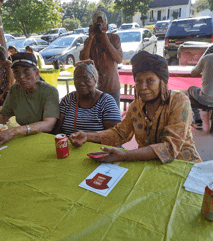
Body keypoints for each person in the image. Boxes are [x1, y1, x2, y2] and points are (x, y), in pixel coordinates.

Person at [69, 51, 202, 164]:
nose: (142, 87)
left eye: (150, 80)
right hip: (147, 164)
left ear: (163, 81)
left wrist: (125, 155)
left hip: (183, 164)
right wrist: (87, 136)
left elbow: (169, 148)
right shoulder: (136, 107)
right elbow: (120, 133)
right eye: (138, 81)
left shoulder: (179, 101)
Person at [0, 52, 59, 149]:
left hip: (46, 141)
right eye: (16, 72)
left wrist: (16, 130)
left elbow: (49, 124)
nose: (21, 77)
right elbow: (3, 116)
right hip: (24, 139)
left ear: (36, 73)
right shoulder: (15, 90)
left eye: (26, 72)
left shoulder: (49, 91)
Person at [56, 60, 122, 137]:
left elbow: (115, 134)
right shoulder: (68, 100)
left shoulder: (106, 101)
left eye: (86, 78)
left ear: (95, 80)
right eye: (77, 78)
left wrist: (88, 137)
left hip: (99, 148)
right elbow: (58, 130)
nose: (81, 83)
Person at [80, 11, 123, 108]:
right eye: (97, 25)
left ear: (106, 26)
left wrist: (105, 39)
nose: (99, 28)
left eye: (102, 24)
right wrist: (90, 38)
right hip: (95, 89)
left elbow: (119, 59)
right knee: (96, 118)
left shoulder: (114, 38)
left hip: (112, 86)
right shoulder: (89, 41)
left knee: (114, 119)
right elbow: (84, 60)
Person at [188, 53, 213, 129]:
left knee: (191, 90)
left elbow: (193, 73)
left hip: (205, 98)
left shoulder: (207, 58)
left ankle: (197, 120)